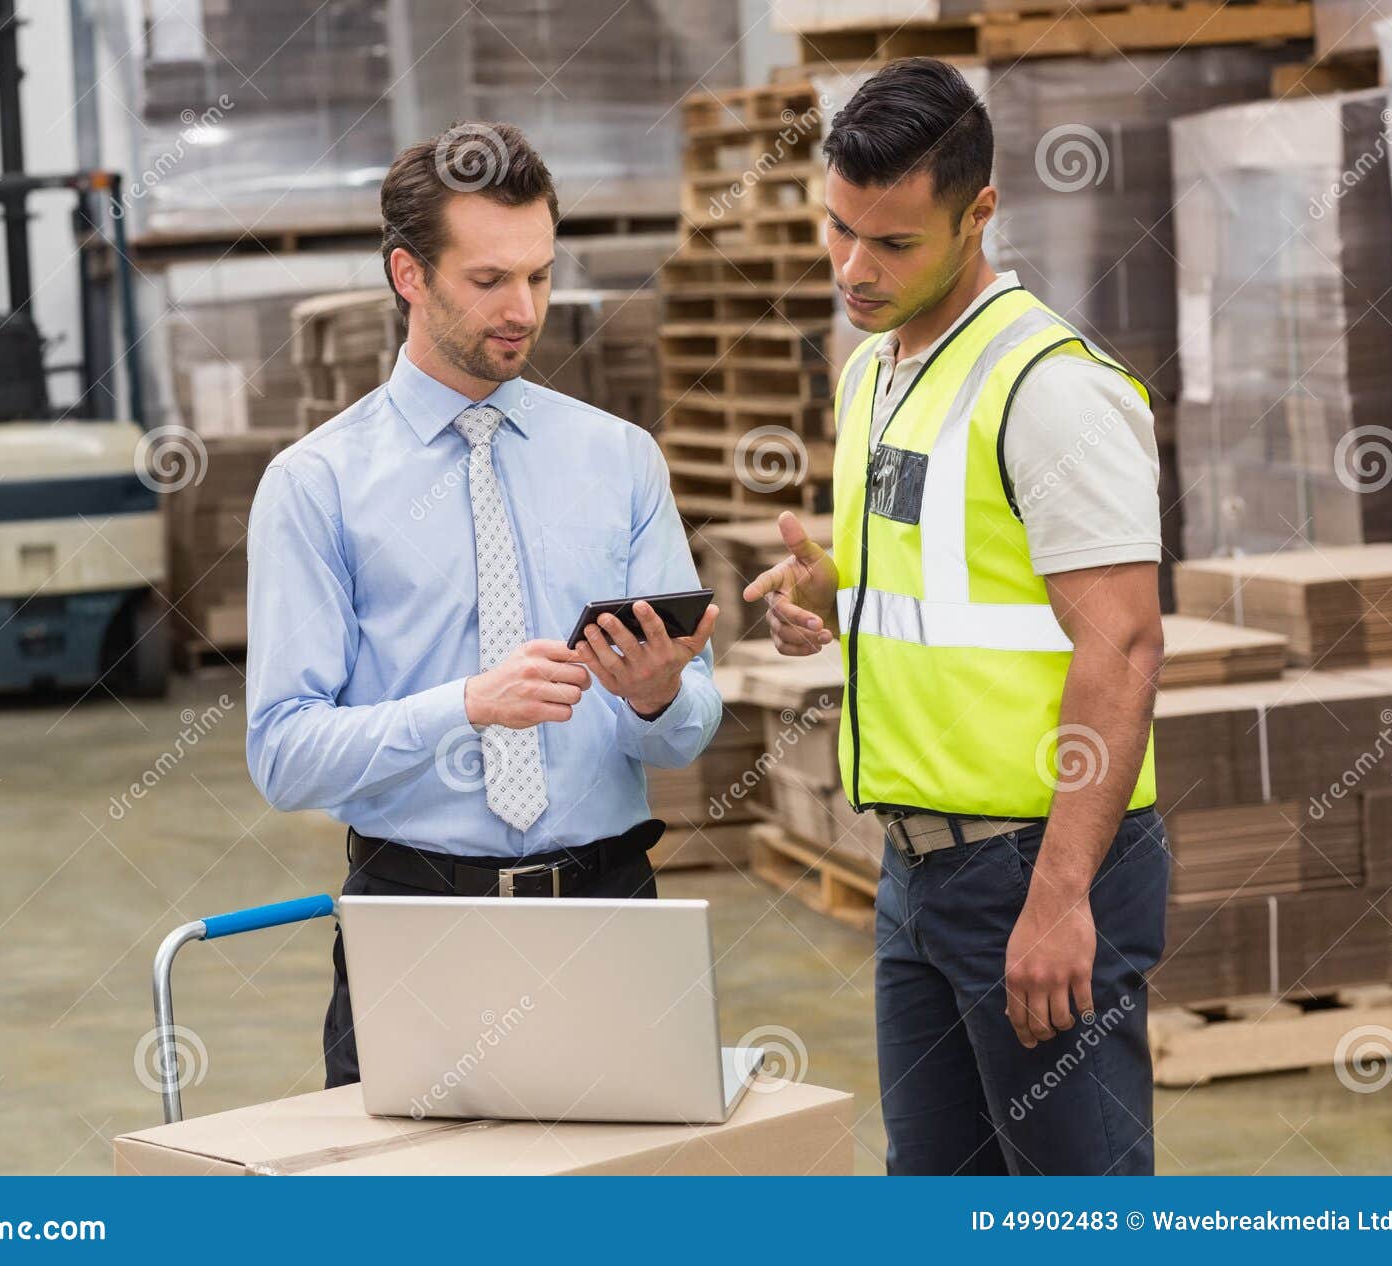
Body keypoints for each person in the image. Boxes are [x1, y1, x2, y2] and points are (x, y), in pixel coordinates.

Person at [744, 58, 1169, 1176]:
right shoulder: (876, 371)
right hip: (914, 869)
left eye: (892, 244)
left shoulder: (1050, 387)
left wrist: (1059, 897)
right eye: (838, 230)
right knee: (931, 1199)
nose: (853, 269)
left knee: (1079, 1212)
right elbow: (954, 574)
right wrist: (828, 592)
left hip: (1034, 863)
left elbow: (1121, 644)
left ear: (979, 212)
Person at [244, 122, 721, 1088]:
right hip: (416, 927)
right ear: (408, 276)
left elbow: (685, 735)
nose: (524, 310)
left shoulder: (619, 458)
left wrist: (657, 699)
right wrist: (466, 705)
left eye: (539, 277)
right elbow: (284, 755)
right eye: (489, 280)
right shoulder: (316, 485)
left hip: (611, 914)